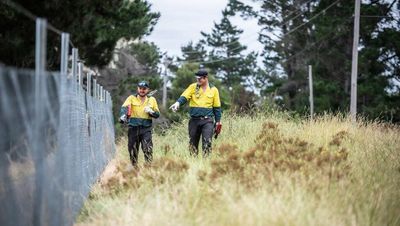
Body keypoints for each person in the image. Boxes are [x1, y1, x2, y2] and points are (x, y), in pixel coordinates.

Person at [169, 69, 222, 157]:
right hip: (194, 121)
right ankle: (193, 162)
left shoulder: (214, 90)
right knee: (192, 144)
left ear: (206, 78)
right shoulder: (193, 87)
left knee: (207, 142)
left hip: (207, 120)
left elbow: (217, 108)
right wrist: (178, 103)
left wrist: (218, 121)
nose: (198, 80)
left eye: (200, 79)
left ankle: (206, 162)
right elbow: (184, 97)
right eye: (197, 78)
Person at [119, 81, 160, 166]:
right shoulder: (131, 98)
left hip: (146, 128)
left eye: (144, 89)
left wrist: (151, 112)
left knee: (147, 148)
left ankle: (148, 169)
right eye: (140, 88)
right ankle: (134, 169)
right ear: (138, 89)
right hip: (133, 128)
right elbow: (124, 108)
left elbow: (157, 114)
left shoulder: (151, 100)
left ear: (148, 90)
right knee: (133, 150)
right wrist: (123, 115)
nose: (142, 90)